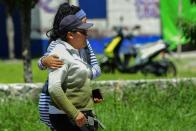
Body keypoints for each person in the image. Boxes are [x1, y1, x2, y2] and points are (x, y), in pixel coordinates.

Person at [38, 3, 101, 131]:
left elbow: (96, 68)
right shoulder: (58, 46)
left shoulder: (84, 43)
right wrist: (44, 61)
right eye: (83, 25)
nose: (87, 32)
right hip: (56, 103)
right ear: (71, 32)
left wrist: (84, 76)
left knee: (92, 125)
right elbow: (54, 86)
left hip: (77, 102)